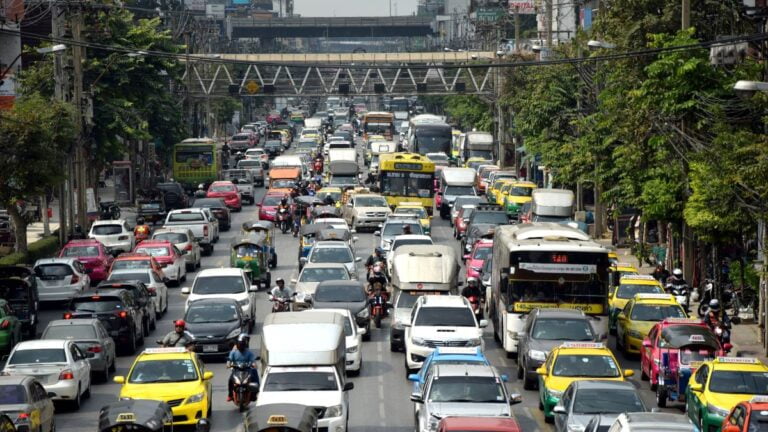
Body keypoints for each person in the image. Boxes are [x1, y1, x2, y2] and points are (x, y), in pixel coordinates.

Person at [226, 333, 259, 402]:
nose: (240, 346)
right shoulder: (234, 352)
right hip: (236, 370)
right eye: (239, 344)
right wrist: (228, 364)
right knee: (230, 380)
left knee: (253, 378)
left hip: (247, 371)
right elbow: (229, 360)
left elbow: (253, 361)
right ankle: (230, 395)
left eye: (242, 344)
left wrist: (254, 364)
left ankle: (253, 394)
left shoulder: (249, 352)